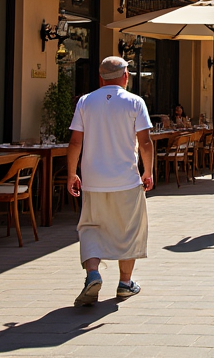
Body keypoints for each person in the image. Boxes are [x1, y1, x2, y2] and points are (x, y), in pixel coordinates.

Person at [67, 56, 154, 306]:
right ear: (125, 76)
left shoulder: (85, 101)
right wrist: (147, 171)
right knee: (128, 229)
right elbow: (145, 141)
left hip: (93, 180)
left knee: (91, 227)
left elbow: (75, 142)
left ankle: (93, 273)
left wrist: (72, 173)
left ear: (100, 77)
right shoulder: (135, 102)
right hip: (125, 178)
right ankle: (125, 283)